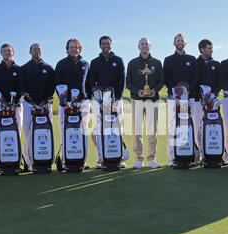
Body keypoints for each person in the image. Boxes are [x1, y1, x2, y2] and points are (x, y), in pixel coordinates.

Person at [86, 36, 126, 168]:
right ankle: (101, 157)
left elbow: (122, 80)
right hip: (99, 101)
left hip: (116, 101)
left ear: (111, 45)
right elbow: (91, 81)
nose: (106, 46)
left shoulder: (118, 60)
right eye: (103, 44)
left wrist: (118, 98)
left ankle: (118, 158)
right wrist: (96, 97)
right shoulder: (95, 62)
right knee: (99, 129)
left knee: (117, 128)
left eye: (108, 43)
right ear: (100, 46)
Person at [126, 37, 164, 169]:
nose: (144, 46)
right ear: (138, 47)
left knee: (152, 130)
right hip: (137, 99)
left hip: (152, 100)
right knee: (137, 130)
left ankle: (151, 158)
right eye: (142, 44)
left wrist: (154, 90)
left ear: (150, 46)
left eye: (146, 44)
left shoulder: (157, 63)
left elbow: (161, 81)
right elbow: (128, 82)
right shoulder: (132, 63)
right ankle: (138, 159)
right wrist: (138, 91)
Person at [163, 33, 199, 166]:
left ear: (185, 43)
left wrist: (187, 88)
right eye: (178, 41)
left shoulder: (192, 59)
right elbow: (166, 77)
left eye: (182, 41)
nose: (180, 42)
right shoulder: (168, 59)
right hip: (173, 98)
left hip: (188, 98)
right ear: (174, 43)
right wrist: (175, 88)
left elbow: (196, 77)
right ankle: (173, 157)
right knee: (173, 126)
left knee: (189, 125)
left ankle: (190, 154)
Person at [19, 43, 55, 171]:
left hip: (45, 105)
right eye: (34, 49)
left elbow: (52, 87)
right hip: (29, 105)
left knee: (46, 132)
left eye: (39, 49)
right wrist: (32, 101)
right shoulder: (24, 68)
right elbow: (22, 88)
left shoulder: (49, 68)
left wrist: (44, 101)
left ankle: (46, 160)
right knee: (28, 134)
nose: (37, 51)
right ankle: (29, 163)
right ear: (30, 52)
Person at [55, 38, 90, 167]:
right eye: (71, 47)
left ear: (80, 49)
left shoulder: (85, 64)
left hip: (83, 102)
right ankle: (66, 159)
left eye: (76, 47)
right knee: (65, 131)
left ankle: (81, 159)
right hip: (66, 103)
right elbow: (57, 83)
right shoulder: (61, 64)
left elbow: (89, 83)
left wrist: (88, 98)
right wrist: (64, 101)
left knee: (82, 131)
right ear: (67, 49)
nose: (74, 49)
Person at [0, 43, 22, 134]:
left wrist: (14, 102)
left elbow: (21, 87)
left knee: (17, 130)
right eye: (4, 51)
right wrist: (1, 101)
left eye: (9, 50)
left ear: (13, 53)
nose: (7, 52)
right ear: (1, 53)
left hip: (16, 105)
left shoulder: (20, 69)